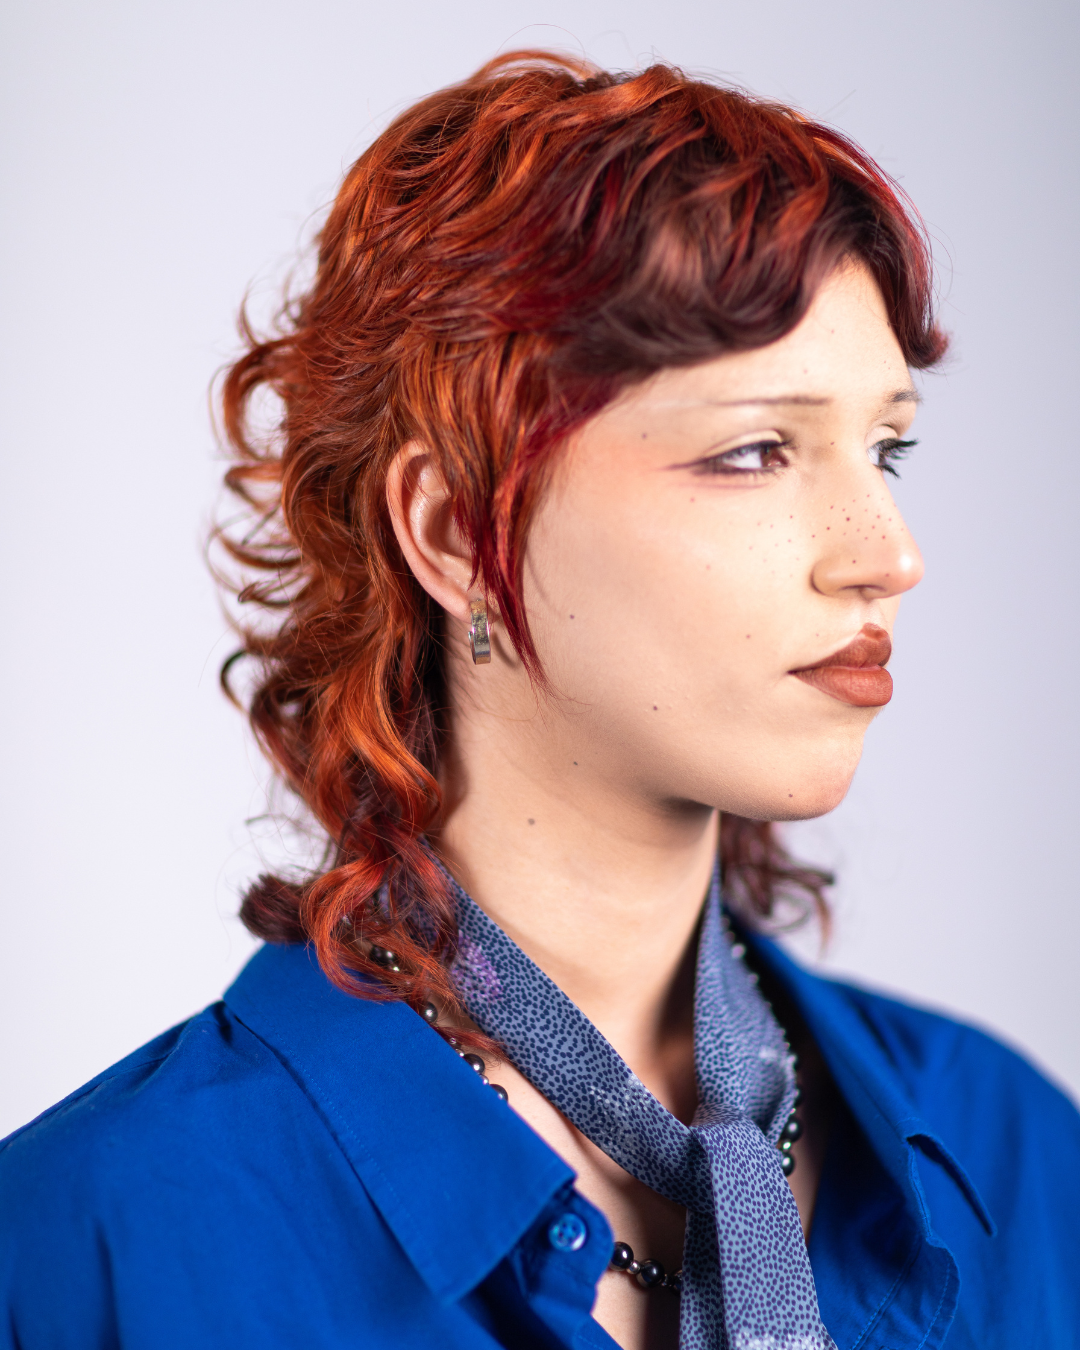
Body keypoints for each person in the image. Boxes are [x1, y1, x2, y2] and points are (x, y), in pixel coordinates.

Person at [1, 51, 1077, 1350]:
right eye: (754, 450)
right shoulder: (92, 1243)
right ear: (457, 530)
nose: (888, 554)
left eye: (885, 449)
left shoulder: (1020, 1162)